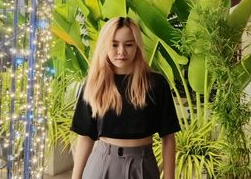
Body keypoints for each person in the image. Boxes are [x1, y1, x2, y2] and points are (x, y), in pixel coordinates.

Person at [71, 17, 180, 179]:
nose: (121, 51)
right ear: (104, 46)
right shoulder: (95, 84)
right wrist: (75, 177)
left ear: (137, 46)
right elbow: (86, 136)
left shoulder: (156, 83)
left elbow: (168, 137)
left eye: (128, 44)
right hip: (101, 166)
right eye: (114, 45)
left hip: (143, 166)